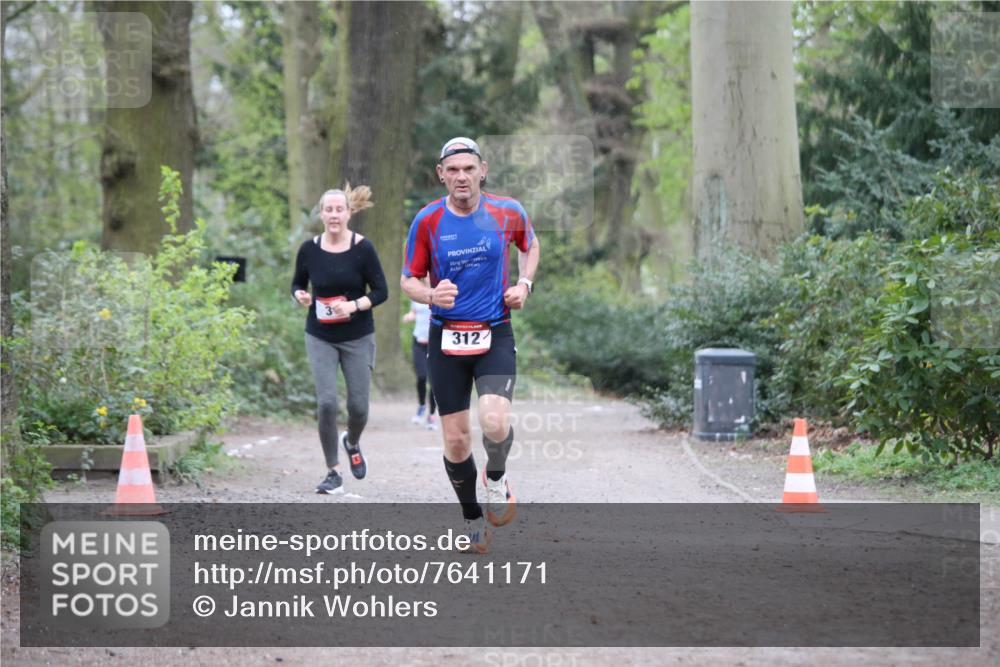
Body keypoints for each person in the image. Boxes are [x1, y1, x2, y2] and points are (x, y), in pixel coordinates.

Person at [401, 137, 540, 553]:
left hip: (494, 330)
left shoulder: (507, 211)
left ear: (483, 170)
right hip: (446, 337)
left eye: (468, 168)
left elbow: (530, 246)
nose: (461, 176)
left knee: (495, 420)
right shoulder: (427, 221)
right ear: (441, 174)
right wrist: (430, 296)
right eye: (453, 170)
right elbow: (409, 278)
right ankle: (473, 524)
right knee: (457, 439)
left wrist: (524, 284)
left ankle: (495, 478)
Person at [291, 184, 388, 494]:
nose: (334, 215)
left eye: (339, 209)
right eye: (328, 210)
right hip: (320, 335)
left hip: (358, 335)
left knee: (358, 408)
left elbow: (381, 291)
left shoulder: (363, 248)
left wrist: (354, 305)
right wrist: (301, 296)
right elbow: (296, 284)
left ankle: (353, 441)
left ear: (349, 213)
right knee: (327, 403)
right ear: (321, 214)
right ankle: (332, 471)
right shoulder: (309, 249)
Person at [403, 297, 438, 429]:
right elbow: (414, 312)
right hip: (419, 342)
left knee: (433, 380)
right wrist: (409, 316)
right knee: (421, 376)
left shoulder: (439, 294)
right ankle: (422, 406)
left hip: (434, 344)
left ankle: (432, 414)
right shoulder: (417, 294)